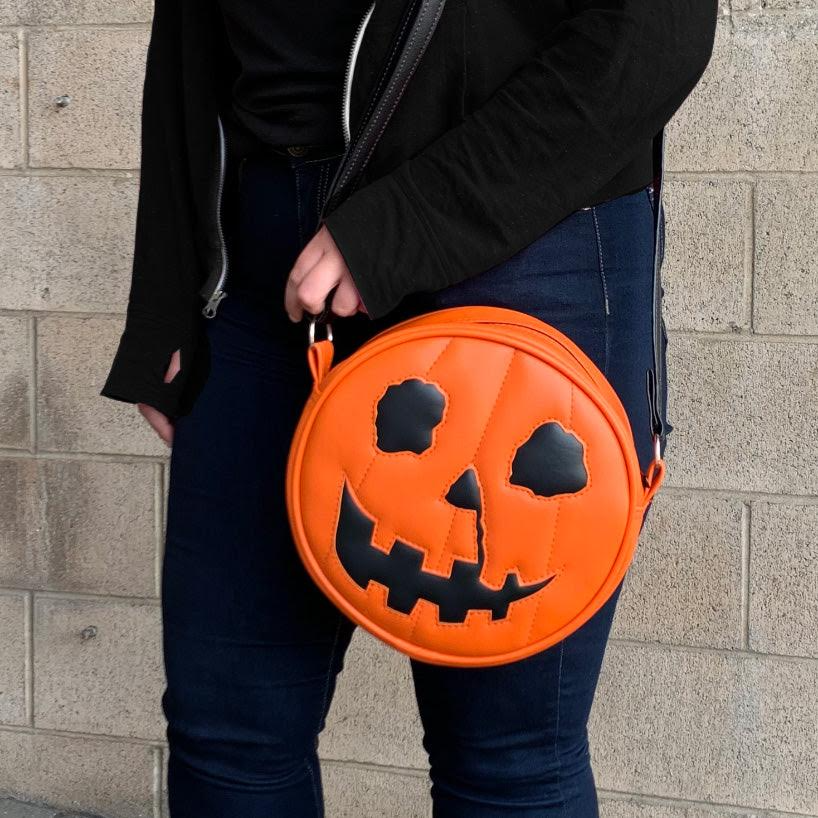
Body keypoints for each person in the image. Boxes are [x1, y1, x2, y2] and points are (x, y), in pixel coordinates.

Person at [100, 1, 718, 815]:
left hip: (520, 231)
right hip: (263, 255)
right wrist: (168, 289)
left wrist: (404, 226)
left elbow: (656, 30)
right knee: (228, 736)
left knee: (507, 760)